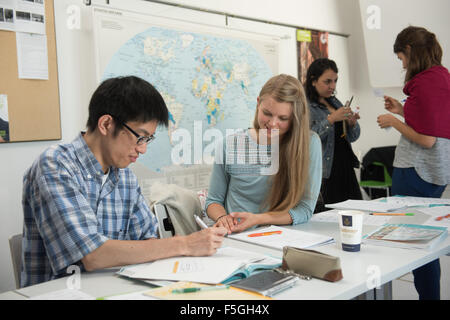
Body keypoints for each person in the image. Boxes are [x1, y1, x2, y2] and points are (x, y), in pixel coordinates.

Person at [21, 76, 227, 288]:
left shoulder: (125, 176)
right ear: (106, 124)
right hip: (62, 292)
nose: (142, 149)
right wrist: (185, 244)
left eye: (148, 140)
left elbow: (148, 240)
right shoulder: (56, 165)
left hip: (117, 288)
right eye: (140, 137)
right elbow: (92, 255)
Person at [377, 26, 450, 300]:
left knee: (416, 244)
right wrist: (403, 109)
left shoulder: (425, 81)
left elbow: (428, 138)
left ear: (408, 50)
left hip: (417, 170)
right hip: (434, 171)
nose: (403, 64)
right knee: (425, 242)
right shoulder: (441, 76)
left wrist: (394, 121)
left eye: (401, 58)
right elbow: (433, 123)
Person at [205, 74, 322, 234]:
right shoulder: (228, 144)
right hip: (237, 239)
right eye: (267, 113)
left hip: (281, 238)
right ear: (258, 104)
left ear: (295, 118)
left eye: (283, 118)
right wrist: (222, 218)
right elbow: (213, 201)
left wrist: (260, 219)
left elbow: (305, 209)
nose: (273, 123)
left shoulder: (309, 144)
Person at [305, 58, 362, 210]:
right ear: (313, 81)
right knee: (330, 217)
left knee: (356, 213)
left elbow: (353, 137)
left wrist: (352, 124)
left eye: (335, 81)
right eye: (327, 81)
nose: (333, 86)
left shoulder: (335, 101)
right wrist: (331, 119)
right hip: (326, 173)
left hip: (345, 167)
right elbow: (306, 139)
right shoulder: (305, 106)